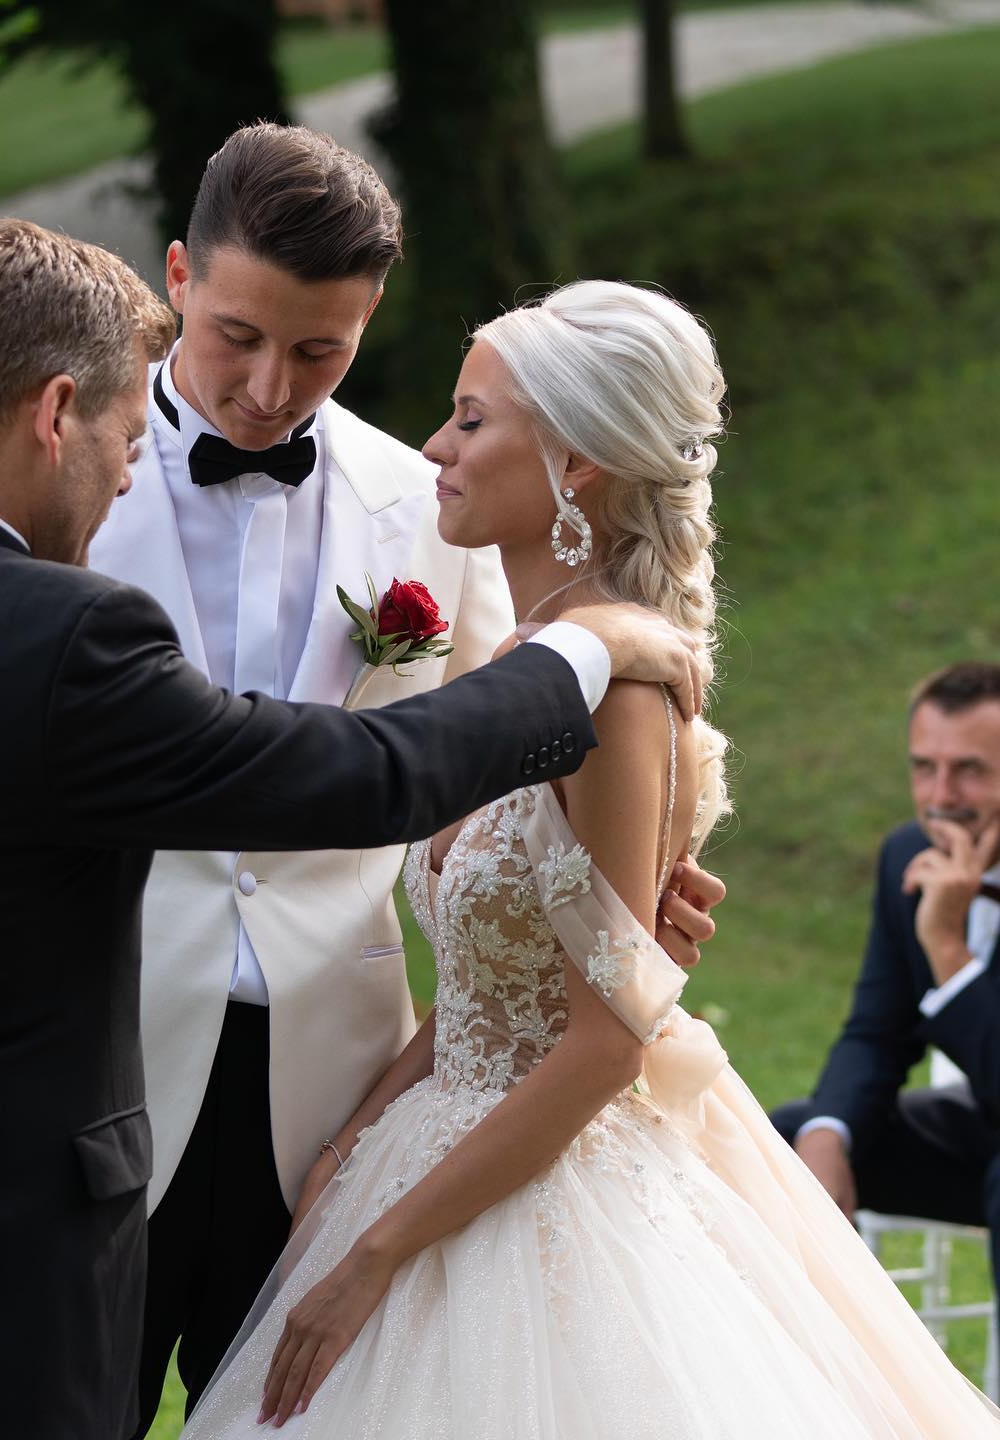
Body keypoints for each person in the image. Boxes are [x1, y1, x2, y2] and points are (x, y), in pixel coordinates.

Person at [0, 123, 727, 1429]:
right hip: (82, 1116)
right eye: (237, 336)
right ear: (177, 283)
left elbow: (493, 774)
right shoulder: (34, 523)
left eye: (319, 352)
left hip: (326, 1104)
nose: (268, 389)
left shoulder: (421, 500)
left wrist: (605, 890)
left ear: (367, 326)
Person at [180, 281, 1000, 1438]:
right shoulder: (514, 664)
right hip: (429, 1144)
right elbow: (490, 986)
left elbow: (605, 1042)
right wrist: (354, 1148)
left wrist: (377, 1252)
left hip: (557, 1193)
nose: (436, 447)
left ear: (576, 465)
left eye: (472, 420)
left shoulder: (619, 690)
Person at [774, 662, 1000, 1330]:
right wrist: (827, 1131)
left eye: (970, 770)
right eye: (924, 768)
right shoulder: (906, 855)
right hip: (978, 1133)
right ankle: (821, 1373)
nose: (941, 796)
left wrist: (948, 949)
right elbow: (876, 1031)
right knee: (786, 1139)